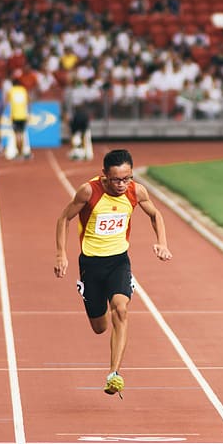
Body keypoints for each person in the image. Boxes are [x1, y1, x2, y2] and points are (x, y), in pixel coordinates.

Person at [54, 149, 173, 397]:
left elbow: (155, 214)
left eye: (127, 178)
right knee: (99, 327)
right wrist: (61, 253)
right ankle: (92, 298)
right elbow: (64, 218)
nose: (122, 184)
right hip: (91, 264)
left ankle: (114, 373)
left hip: (119, 262)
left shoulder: (136, 191)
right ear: (105, 176)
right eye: (117, 179)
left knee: (121, 309)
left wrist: (162, 242)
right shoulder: (89, 191)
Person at [7, 76, 30, 159]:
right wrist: (28, 113)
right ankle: (22, 151)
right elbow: (28, 101)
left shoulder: (11, 91)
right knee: (22, 134)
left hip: (15, 116)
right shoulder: (23, 90)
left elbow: (7, 102)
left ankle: (19, 152)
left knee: (17, 135)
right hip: (23, 115)